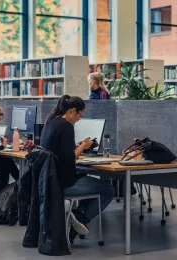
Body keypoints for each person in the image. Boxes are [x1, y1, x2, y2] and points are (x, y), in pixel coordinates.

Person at [40, 95, 115, 244]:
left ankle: (76, 217)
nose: (79, 119)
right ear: (73, 111)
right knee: (108, 190)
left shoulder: (51, 122)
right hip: (65, 184)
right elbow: (69, 159)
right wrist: (83, 146)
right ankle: (80, 219)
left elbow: (60, 153)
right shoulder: (66, 126)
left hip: (50, 181)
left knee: (87, 180)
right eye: (80, 116)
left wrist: (77, 147)